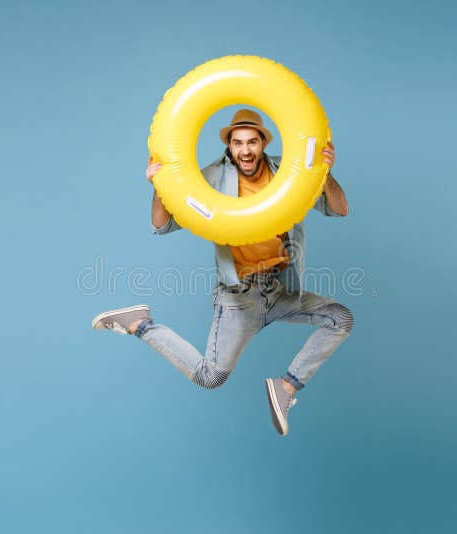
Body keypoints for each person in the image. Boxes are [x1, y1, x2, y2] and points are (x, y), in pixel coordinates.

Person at [92, 109, 353, 436]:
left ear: (262, 143)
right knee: (209, 377)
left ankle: (285, 388)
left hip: (281, 289)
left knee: (341, 318)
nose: (246, 150)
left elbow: (339, 209)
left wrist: (324, 173)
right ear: (229, 146)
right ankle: (140, 323)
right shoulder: (212, 178)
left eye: (252, 142)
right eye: (238, 143)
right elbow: (162, 225)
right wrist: (159, 186)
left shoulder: (290, 172)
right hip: (239, 297)